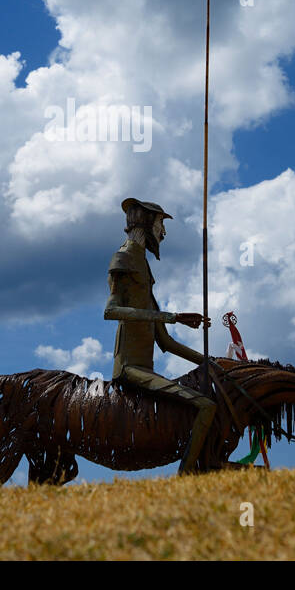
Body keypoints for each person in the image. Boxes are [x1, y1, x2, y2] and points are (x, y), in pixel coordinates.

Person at [104, 198, 216, 474]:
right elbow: (111, 311)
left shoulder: (144, 265)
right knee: (205, 406)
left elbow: (165, 342)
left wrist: (211, 363)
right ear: (145, 223)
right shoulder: (124, 258)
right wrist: (170, 316)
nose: (163, 234)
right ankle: (187, 474)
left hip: (147, 368)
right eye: (160, 225)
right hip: (130, 368)